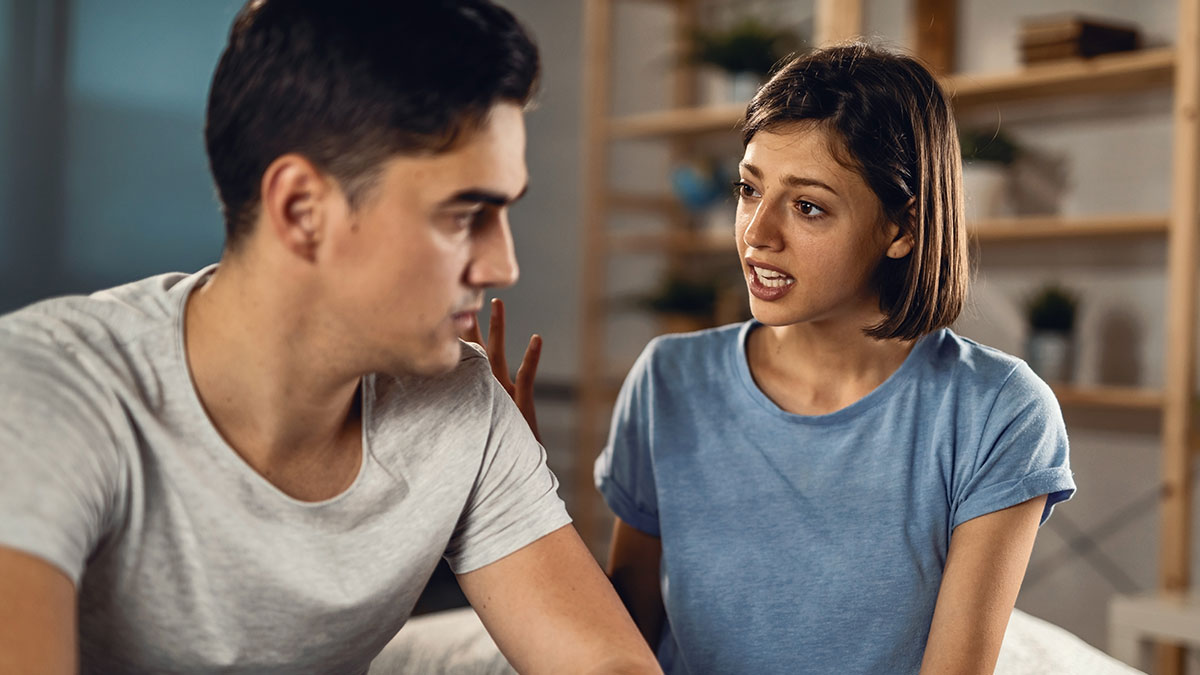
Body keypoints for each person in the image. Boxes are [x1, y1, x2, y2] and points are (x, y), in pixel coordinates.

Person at [0, 1, 659, 673]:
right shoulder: (44, 390)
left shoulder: (462, 402)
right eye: (465, 214)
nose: (503, 267)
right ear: (301, 210)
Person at [592, 43, 1077, 674]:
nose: (756, 234)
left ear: (902, 228)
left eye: (808, 206)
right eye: (748, 189)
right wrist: (518, 490)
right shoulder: (668, 380)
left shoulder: (998, 411)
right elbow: (619, 640)